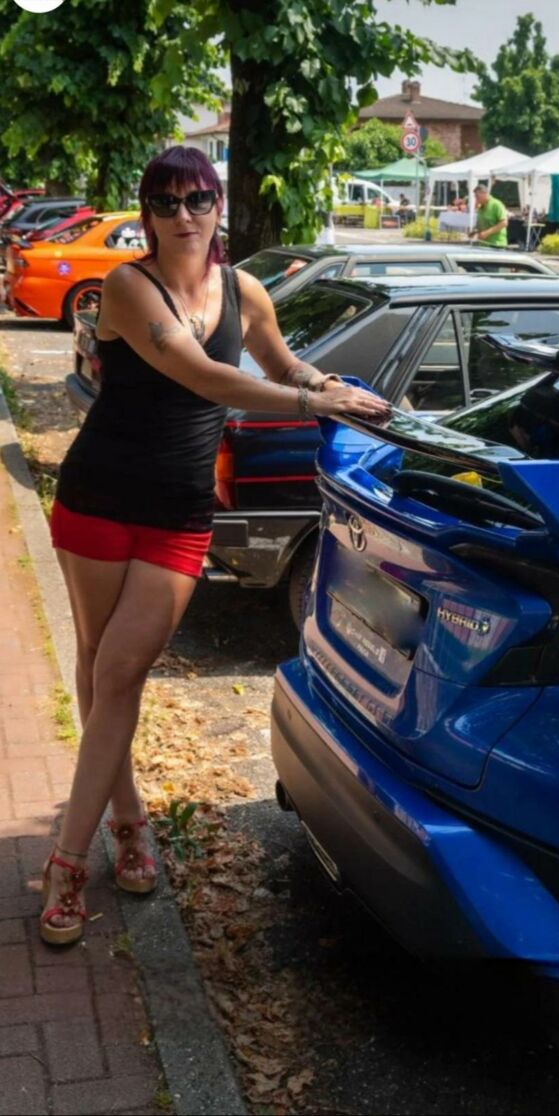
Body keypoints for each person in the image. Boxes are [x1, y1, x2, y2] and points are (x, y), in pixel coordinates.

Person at [40, 146, 391, 946]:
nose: (184, 215)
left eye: (197, 198)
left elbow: (281, 361)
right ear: (147, 214)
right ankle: (126, 823)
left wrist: (329, 387)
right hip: (99, 498)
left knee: (120, 670)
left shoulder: (245, 291)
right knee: (99, 663)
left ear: (217, 205)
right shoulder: (129, 287)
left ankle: (67, 860)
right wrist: (311, 404)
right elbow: (202, 376)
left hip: (178, 514)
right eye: (165, 202)